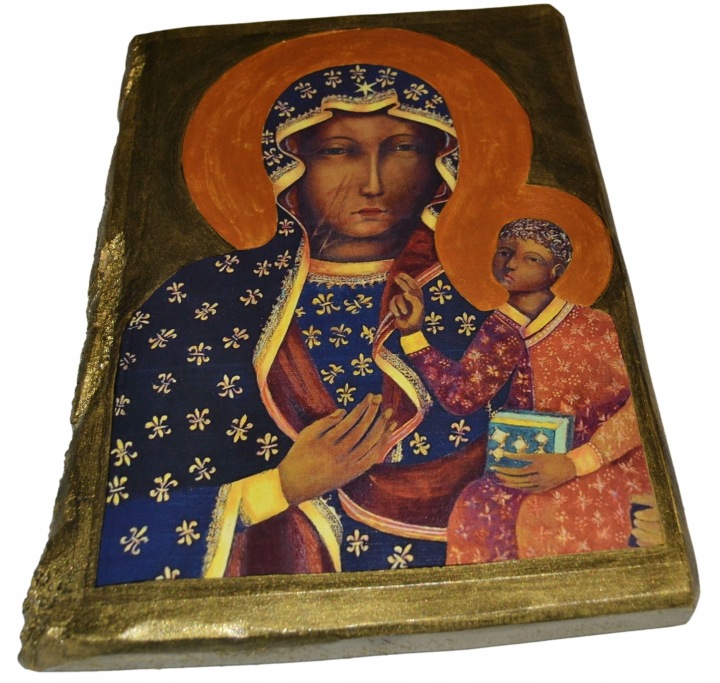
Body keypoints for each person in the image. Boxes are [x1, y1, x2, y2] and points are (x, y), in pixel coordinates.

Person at [96, 64, 497, 584]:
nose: (372, 182)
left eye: (402, 148)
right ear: (290, 165)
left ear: (439, 162)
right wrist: (280, 487)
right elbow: (119, 513)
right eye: (338, 151)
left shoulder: (479, 301)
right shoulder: (203, 300)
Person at [390, 218, 657, 563]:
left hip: (604, 463)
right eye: (504, 252)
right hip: (529, 466)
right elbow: (462, 396)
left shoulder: (595, 326)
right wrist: (413, 334)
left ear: (555, 272)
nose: (511, 263)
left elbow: (642, 407)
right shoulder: (501, 327)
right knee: (477, 506)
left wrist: (577, 462)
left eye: (531, 258)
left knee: (548, 520)